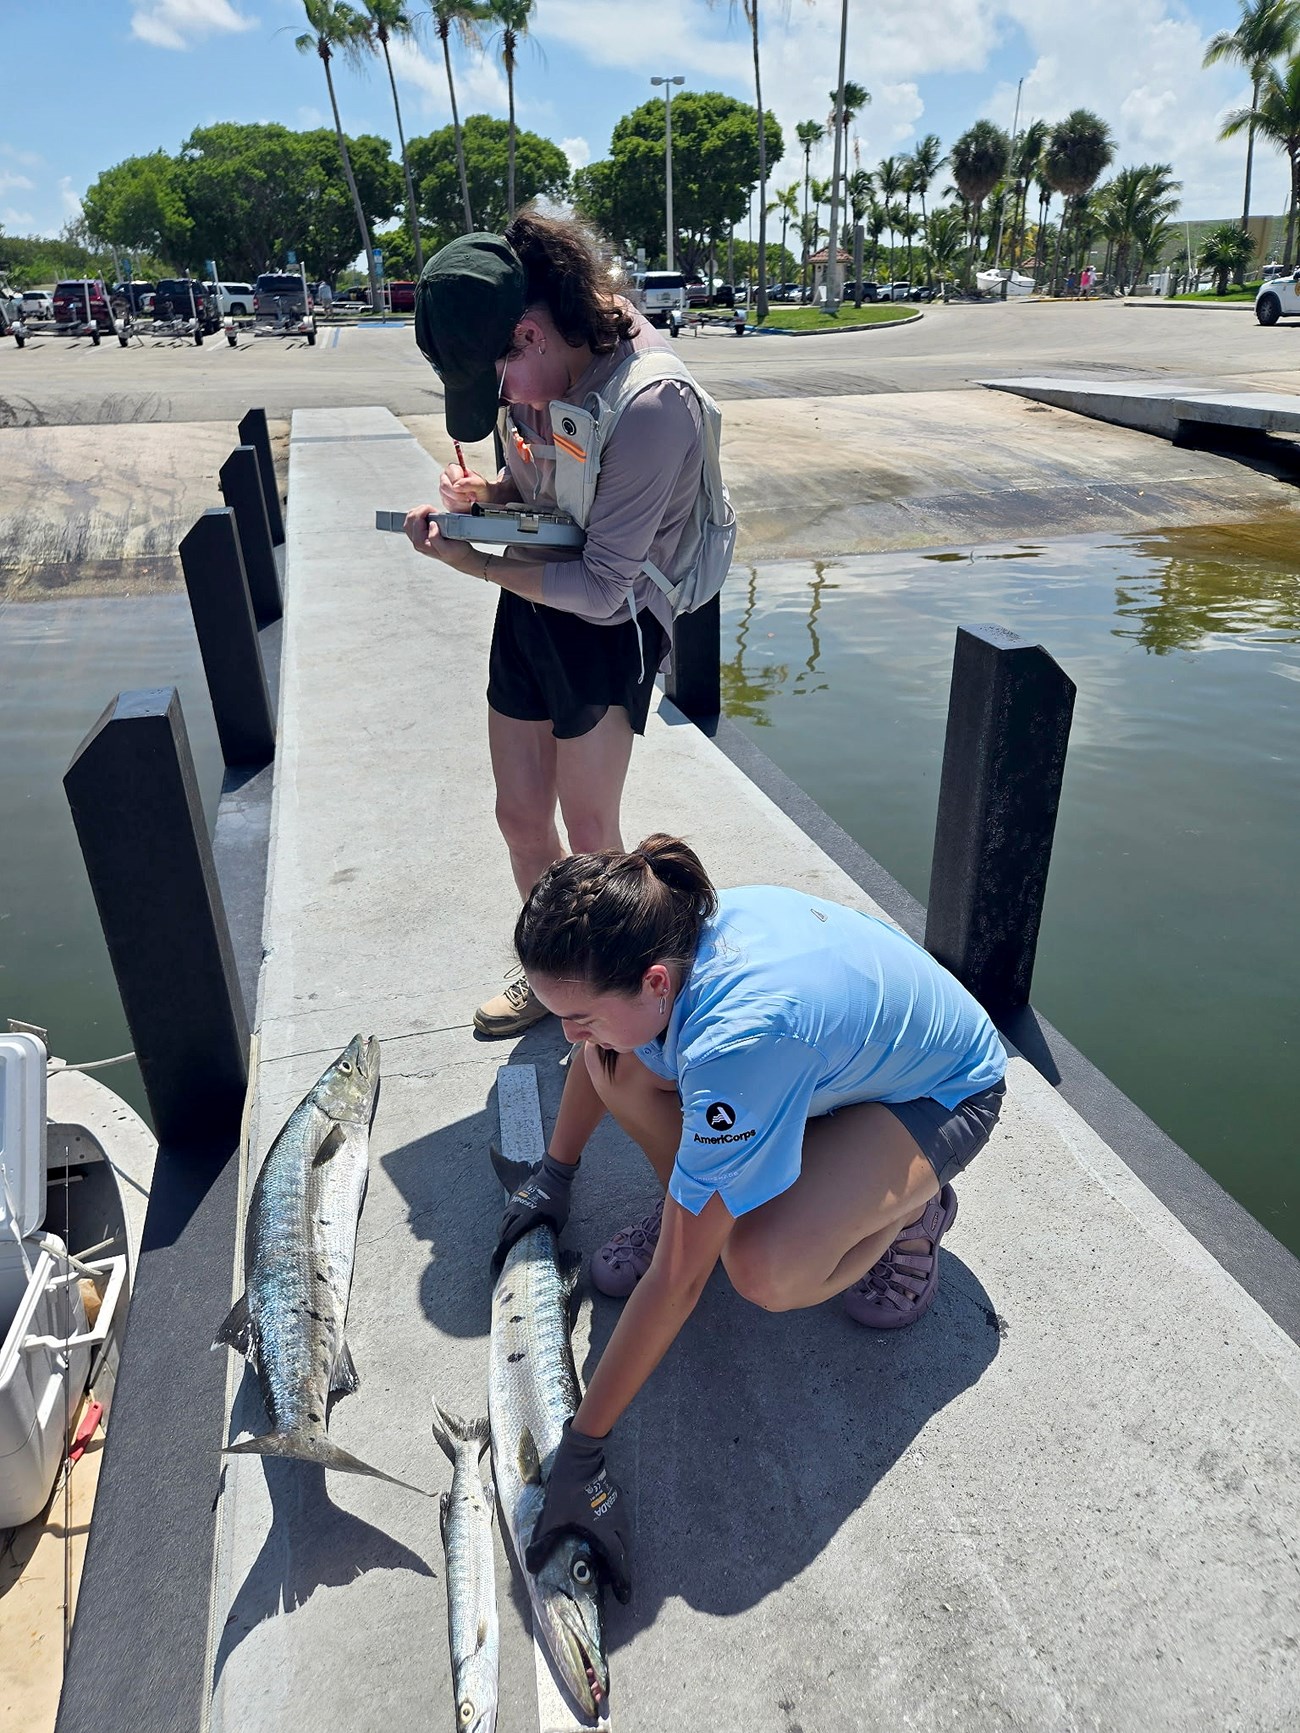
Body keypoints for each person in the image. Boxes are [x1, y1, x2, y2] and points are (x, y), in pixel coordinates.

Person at [493, 835, 1008, 1599]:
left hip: (942, 1092)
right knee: (620, 1066)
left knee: (763, 1266)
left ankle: (911, 1206)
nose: (563, 1033)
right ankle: (709, 1194)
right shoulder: (661, 936)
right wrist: (553, 1177)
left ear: (656, 982)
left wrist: (583, 1447)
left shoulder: (738, 1039)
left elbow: (677, 1281)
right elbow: (597, 1062)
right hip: (829, 1065)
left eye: (575, 1013)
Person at [404, 212, 715, 1038]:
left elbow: (607, 586)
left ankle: (609, 997)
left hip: (610, 625)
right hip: (537, 601)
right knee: (518, 816)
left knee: (588, 834)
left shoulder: (653, 403)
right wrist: (484, 503)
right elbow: (529, 486)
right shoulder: (546, 371)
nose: (503, 400)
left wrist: (470, 561)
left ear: (531, 335)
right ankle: (554, 974)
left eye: (499, 379)